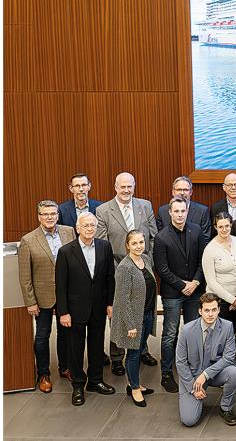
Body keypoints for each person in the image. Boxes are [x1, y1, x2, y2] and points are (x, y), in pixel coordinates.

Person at [96, 172, 159, 374]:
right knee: (119, 311)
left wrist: (148, 264)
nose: (126, 190)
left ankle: (142, 350)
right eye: (122, 186)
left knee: (143, 310)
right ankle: (116, 356)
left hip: (143, 267)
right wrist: (116, 271)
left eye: (129, 186)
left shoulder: (145, 206)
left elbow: (153, 237)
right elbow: (103, 246)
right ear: (115, 187)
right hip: (117, 270)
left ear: (134, 186)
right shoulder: (103, 210)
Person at [55, 212, 116, 406]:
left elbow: (109, 277)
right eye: (86, 226)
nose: (90, 229)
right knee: (75, 349)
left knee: (97, 346)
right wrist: (63, 312)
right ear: (77, 228)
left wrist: (110, 303)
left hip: (98, 307)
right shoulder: (66, 252)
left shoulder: (105, 247)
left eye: (93, 225)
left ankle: (96, 380)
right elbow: (60, 285)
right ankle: (78, 385)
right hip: (74, 310)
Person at [18, 200, 75, 392]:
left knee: (66, 334)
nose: (49, 217)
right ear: (39, 217)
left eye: (53, 213)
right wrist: (30, 301)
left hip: (66, 294)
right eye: (45, 214)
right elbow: (25, 276)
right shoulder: (28, 240)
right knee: (42, 336)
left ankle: (65, 368)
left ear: (58, 215)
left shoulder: (69, 232)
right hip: (42, 297)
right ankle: (43, 374)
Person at [155, 197, 207, 393]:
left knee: (193, 332)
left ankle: (194, 370)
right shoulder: (161, 237)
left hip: (195, 291)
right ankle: (166, 374)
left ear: (187, 211)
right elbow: (162, 268)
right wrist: (181, 285)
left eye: (182, 211)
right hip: (172, 293)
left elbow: (204, 260)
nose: (179, 215)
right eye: (175, 211)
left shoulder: (196, 231)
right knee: (170, 334)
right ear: (170, 212)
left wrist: (194, 282)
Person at [175, 293, 236, 427]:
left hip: (214, 373)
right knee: (189, 421)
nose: (210, 314)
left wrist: (205, 375)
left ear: (218, 310)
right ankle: (195, 397)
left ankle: (226, 408)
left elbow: (228, 357)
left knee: (235, 374)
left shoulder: (227, 327)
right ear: (200, 311)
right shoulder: (187, 330)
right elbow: (180, 362)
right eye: (206, 310)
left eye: (213, 310)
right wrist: (193, 388)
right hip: (193, 376)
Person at [110, 230, 157, 407]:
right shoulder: (124, 267)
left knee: (140, 349)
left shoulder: (145, 260)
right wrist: (130, 324)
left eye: (141, 242)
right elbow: (122, 299)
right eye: (135, 243)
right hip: (134, 320)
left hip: (147, 314)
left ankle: (133, 382)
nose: (139, 246)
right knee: (133, 354)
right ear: (127, 245)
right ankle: (134, 388)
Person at [202, 212, 236, 369]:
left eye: (227, 226)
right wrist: (232, 300)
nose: (224, 229)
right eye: (220, 226)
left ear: (231, 226)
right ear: (215, 227)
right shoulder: (210, 249)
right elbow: (211, 281)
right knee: (224, 337)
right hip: (221, 301)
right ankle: (221, 368)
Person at [156, 176, 211, 242]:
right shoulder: (162, 211)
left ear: (191, 192)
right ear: (173, 192)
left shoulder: (202, 211)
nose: (182, 193)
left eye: (185, 190)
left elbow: (205, 239)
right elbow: (161, 238)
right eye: (179, 190)